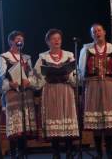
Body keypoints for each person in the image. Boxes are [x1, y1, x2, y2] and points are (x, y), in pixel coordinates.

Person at [78, 23, 112, 159]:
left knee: (108, 120)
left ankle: (109, 151)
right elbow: (81, 70)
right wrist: (85, 84)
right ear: (91, 35)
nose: (97, 33)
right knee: (97, 119)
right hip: (92, 86)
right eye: (93, 32)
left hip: (109, 86)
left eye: (99, 30)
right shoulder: (86, 50)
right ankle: (99, 152)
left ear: (104, 32)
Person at [33, 29, 79, 159]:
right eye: (53, 38)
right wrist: (44, 78)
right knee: (53, 118)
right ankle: (56, 152)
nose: (57, 41)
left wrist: (68, 76)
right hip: (51, 90)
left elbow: (75, 74)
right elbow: (36, 75)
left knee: (66, 117)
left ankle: (69, 150)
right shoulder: (43, 57)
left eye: (58, 38)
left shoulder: (69, 55)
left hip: (65, 90)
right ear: (48, 42)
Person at [0, 31, 37, 159]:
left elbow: (31, 74)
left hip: (25, 93)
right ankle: (14, 154)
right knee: (15, 125)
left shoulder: (26, 58)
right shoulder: (4, 57)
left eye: (22, 39)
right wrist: (10, 84)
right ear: (11, 41)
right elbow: (0, 77)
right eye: (18, 39)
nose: (20, 41)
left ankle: (23, 152)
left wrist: (29, 81)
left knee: (24, 124)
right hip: (12, 94)